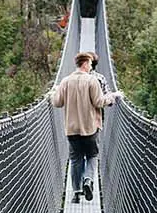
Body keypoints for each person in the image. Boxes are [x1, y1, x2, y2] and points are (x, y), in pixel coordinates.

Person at [50, 50, 121, 203]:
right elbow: (99, 102)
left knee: (75, 159)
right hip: (90, 128)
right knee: (92, 155)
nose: (91, 67)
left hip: (71, 129)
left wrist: (53, 92)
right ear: (86, 63)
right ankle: (88, 180)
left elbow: (57, 102)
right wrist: (112, 97)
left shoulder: (65, 81)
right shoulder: (92, 80)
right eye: (90, 64)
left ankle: (76, 193)